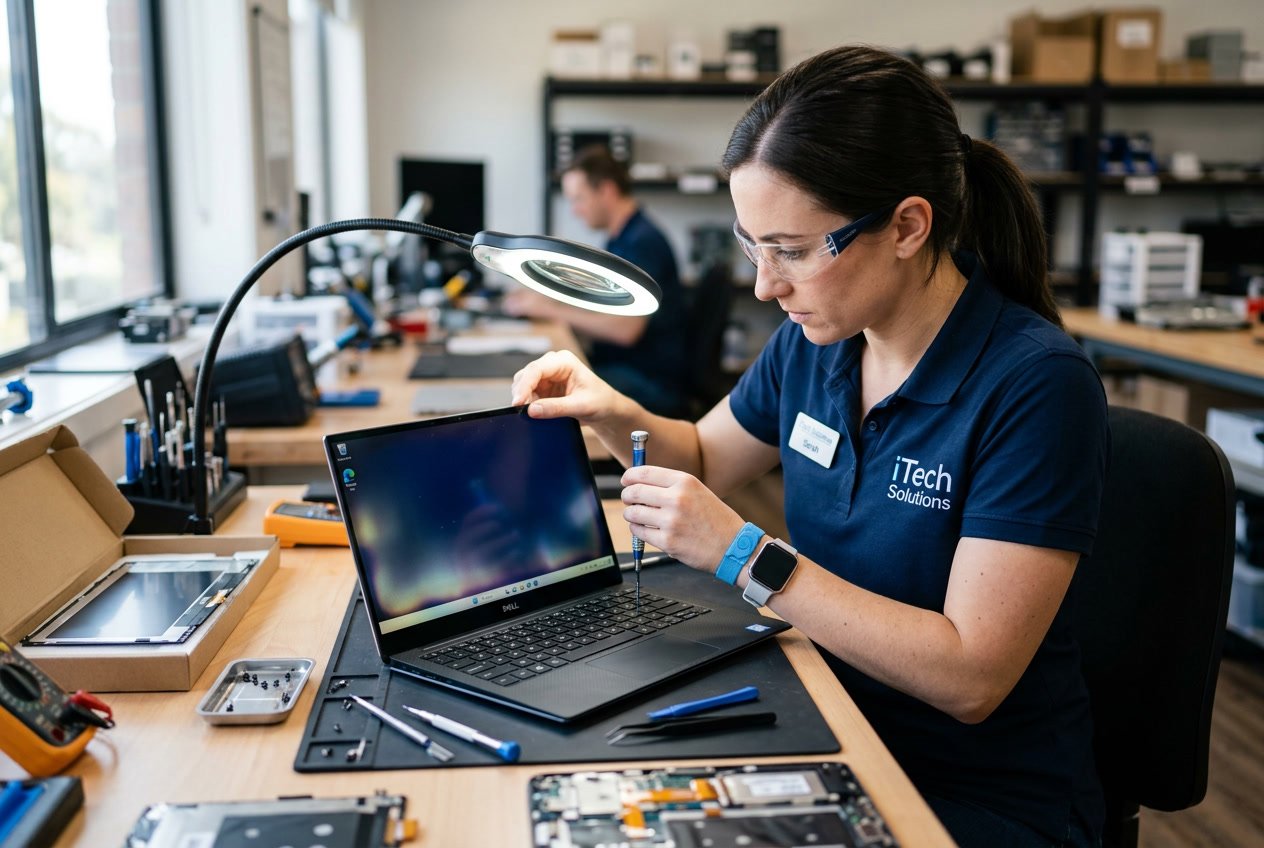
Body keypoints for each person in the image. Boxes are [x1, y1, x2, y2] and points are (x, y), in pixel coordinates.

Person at [511, 46, 1109, 848]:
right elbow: (706, 459)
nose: (765, 285)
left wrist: (744, 555)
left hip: (972, 793)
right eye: (752, 245)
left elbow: (971, 677)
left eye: (790, 250)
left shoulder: (1035, 385)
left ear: (906, 226)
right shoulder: (820, 342)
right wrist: (609, 409)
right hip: (823, 711)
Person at [503, 145, 689, 417]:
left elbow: (626, 330)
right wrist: (548, 299)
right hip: (630, 367)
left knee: (543, 393)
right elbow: (603, 306)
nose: (575, 210)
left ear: (607, 190)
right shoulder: (623, 238)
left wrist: (548, 309)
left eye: (578, 199)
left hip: (650, 380)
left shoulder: (642, 243)